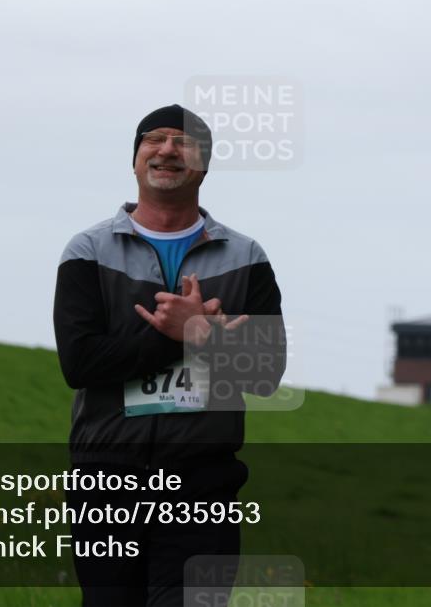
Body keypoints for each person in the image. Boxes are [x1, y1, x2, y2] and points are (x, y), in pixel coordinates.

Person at [53, 104, 286, 606]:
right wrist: (174, 335)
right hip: (105, 480)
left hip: (204, 482)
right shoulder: (87, 252)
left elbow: (267, 371)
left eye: (183, 142)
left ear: (204, 164)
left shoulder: (247, 258)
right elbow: (80, 363)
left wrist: (200, 332)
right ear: (135, 160)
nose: (167, 151)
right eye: (153, 140)